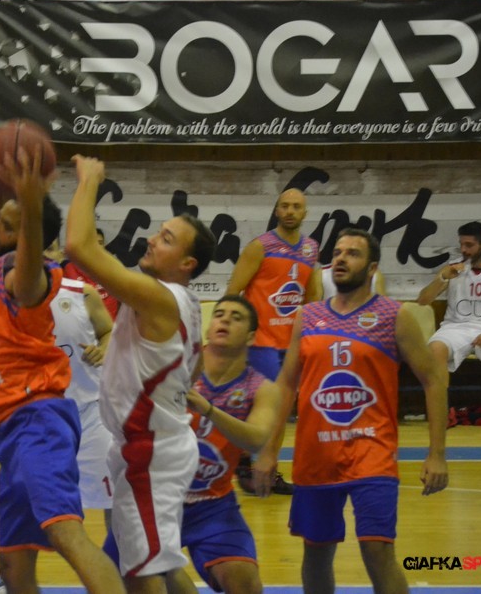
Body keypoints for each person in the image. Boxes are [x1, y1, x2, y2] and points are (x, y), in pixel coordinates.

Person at [0, 147, 126, 594]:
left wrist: (29, 198)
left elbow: (26, 267)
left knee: (65, 533)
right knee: (12, 563)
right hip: (11, 424)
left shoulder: (27, 280)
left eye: (6, 225)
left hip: (39, 420)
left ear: (27, 235)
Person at [256, 228, 449, 594]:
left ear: (372, 267)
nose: (341, 259)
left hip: (372, 452)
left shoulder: (394, 316)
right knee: (316, 554)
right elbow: (284, 386)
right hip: (316, 455)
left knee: (377, 550)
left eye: (353, 253)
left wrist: (437, 453)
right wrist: (268, 452)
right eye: (337, 253)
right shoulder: (307, 316)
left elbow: (434, 380)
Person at [66, 154, 216, 594]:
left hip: (152, 452)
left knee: (142, 572)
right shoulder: (181, 301)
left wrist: (89, 180)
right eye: (158, 231)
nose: (152, 239)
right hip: (149, 446)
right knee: (155, 563)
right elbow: (195, 363)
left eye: (166, 239)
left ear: (186, 263)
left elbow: (78, 248)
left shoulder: (160, 297)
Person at [166, 294, 280, 594]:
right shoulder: (177, 367)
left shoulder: (261, 388)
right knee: (135, 574)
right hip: (159, 500)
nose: (225, 319)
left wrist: (209, 410)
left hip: (212, 505)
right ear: (207, 328)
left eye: (236, 317)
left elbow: (256, 439)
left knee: (246, 583)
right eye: (219, 314)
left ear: (251, 337)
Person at [225, 188, 321, 495]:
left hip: (292, 345)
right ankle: (245, 461)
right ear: (276, 211)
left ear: (305, 213)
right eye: (285, 206)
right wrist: (236, 335)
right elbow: (233, 292)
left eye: (296, 207)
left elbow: (313, 298)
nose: (290, 211)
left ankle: (268, 471)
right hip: (262, 342)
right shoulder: (260, 247)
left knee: (282, 414)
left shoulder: (311, 249)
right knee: (266, 408)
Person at [417, 221, 481, 430]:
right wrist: (442, 278)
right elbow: (422, 300)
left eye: (469, 245)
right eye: (462, 245)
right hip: (456, 327)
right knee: (435, 349)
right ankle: (443, 409)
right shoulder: (452, 268)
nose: (464, 250)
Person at [51, 272, 115, 527]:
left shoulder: (82, 293)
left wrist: (103, 350)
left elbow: (108, 331)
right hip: (41, 416)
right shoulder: (8, 297)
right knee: (48, 507)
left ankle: (119, 551)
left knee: (115, 498)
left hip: (90, 410)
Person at [63, 228, 120, 319]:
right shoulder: (70, 269)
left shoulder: (112, 268)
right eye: (93, 243)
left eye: (100, 243)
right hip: (81, 323)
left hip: (110, 325)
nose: (97, 247)